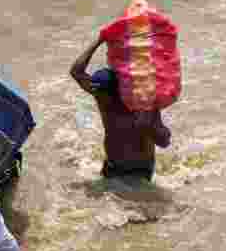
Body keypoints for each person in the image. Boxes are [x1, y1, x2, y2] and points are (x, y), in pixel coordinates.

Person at [70, 36, 172, 181]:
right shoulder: (104, 88)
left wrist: (150, 128)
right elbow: (76, 72)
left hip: (141, 172)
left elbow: (164, 141)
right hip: (112, 167)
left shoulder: (144, 97)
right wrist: (100, 39)